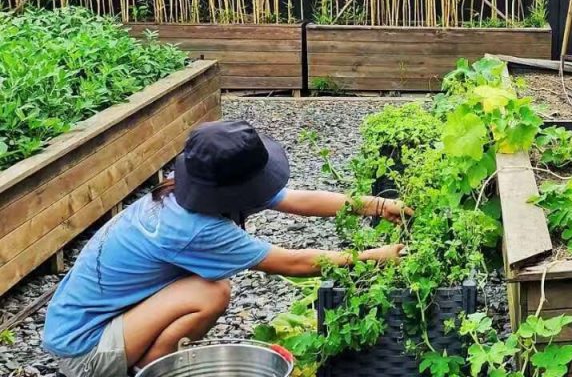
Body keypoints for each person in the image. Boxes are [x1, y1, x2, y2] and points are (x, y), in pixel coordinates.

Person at [42, 119, 409, 377]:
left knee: (202, 286)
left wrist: (377, 205)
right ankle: (147, 371)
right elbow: (294, 262)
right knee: (211, 291)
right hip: (86, 351)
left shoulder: (184, 190)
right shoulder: (196, 229)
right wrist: (374, 258)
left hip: (75, 325)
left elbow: (299, 199)